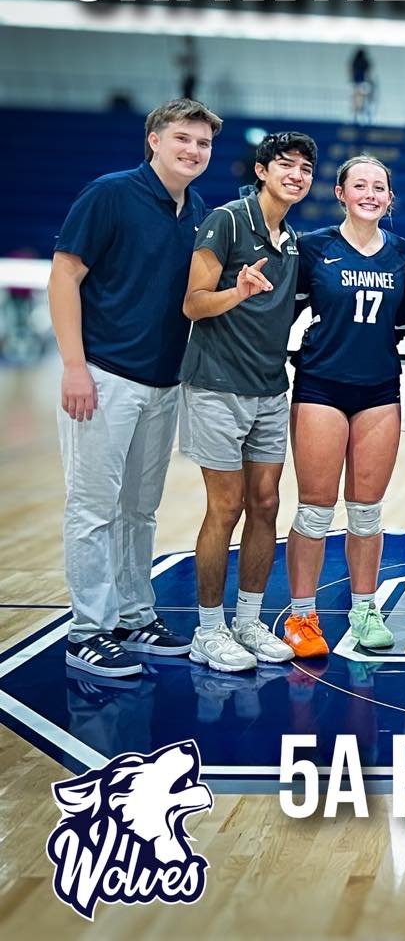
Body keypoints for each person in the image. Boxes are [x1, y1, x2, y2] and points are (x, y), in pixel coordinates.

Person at [52, 98, 222, 677]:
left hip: (163, 382)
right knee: (93, 509)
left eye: (202, 143)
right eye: (182, 138)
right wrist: (74, 366)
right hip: (102, 376)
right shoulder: (109, 193)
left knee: (140, 510)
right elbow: (64, 275)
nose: (193, 151)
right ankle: (88, 631)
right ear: (154, 139)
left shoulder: (198, 209)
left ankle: (133, 614)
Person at [179, 131, 317, 672]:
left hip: (269, 388)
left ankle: (248, 620)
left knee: (266, 506)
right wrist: (238, 291)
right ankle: (208, 630)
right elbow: (192, 304)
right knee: (226, 507)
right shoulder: (228, 220)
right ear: (261, 170)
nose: (296, 174)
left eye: (305, 168)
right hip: (215, 384)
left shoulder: (294, 241)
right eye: (285, 164)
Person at [283, 155, 405, 658]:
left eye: (378, 187)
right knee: (315, 511)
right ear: (340, 193)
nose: (369, 193)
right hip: (321, 387)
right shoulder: (313, 247)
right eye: (359, 185)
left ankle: (364, 610)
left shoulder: (401, 252)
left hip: (380, 390)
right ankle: (301, 615)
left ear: (387, 197)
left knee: (366, 513)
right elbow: (282, 313)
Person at [350, 48, 374, 125]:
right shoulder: (365, 62)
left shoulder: (355, 61)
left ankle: (356, 118)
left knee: (357, 101)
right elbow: (369, 72)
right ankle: (366, 117)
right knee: (364, 100)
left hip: (357, 83)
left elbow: (351, 71)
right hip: (363, 83)